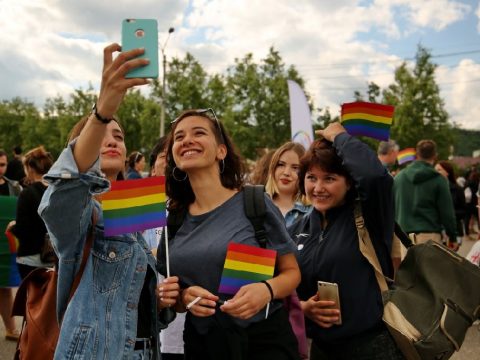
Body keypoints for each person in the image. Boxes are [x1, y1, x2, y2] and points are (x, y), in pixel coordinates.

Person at [38, 43, 178, 359]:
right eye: (102, 133)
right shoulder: (82, 210)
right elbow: (62, 195)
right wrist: (103, 110)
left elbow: (135, 297)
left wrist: (160, 299)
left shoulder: (137, 204)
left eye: (119, 135)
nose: (112, 140)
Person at [158, 108, 301, 360]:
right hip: (203, 344)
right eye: (179, 137)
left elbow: (292, 273)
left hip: (263, 342)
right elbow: (177, 295)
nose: (187, 140)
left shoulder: (253, 202)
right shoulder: (175, 219)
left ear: (221, 151)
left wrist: (266, 290)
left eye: (198, 133)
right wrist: (183, 297)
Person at [288, 122, 403, 359]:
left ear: (349, 182)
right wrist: (302, 307)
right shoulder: (297, 227)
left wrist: (340, 137)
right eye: (311, 178)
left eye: (329, 178)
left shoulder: (370, 217)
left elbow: (374, 176)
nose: (318, 188)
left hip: (372, 346)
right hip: (321, 349)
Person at [394, 139, 457, 247]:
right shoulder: (439, 179)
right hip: (429, 236)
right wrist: (453, 236)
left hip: (403, 236)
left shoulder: (399, 178)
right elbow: (447, 213)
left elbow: (391, 208)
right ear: (435, 155)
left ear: (417, 154)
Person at [7, 146, 54, 279]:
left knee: (31, 299)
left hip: (30, 258)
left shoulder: (27, 194)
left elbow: (23, 230)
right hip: (53, 257)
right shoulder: (56, 192)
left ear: (30, 168)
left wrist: (13, 226)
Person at [0, 149, 22, 341]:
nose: (1, 168)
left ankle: (10, 328)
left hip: (6, 247)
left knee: (5, 288)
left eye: (3, 165)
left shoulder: (14, 187)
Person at [265, 142, 309, 227]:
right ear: (273, 168)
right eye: (281, 165)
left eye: (295, 168)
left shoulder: (313, 212)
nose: (286, 173)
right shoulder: (257, 206)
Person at [434, 160, 466, 245]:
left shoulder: (457, 189)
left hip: (454, 230)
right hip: (437, 231)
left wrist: (448, 214)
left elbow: (464, 210)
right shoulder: (432, 188)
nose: (436, 172)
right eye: (435, 170)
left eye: (439, 170)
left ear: (447, 172)